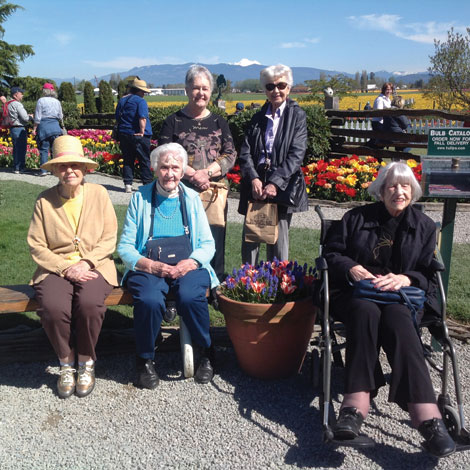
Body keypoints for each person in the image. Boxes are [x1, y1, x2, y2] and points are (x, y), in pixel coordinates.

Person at [323, 162, 456, 458]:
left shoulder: (423, 226)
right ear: (381, 191)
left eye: (405, 186)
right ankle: (355, 406)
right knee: (365, 312)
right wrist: (353, 268)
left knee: (398, 321)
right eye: (392, 186)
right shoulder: (356, 218)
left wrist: (406, 278)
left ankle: (427, 418)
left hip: (400, 298)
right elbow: (331, 254)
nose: (399, 191)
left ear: (413, 191)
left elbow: (426, 271)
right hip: (358, 293)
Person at [118, 142, 219, 389]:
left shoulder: (193, 198)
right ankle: (144, 359)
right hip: (149, 265)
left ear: (183, 170)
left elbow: (207, 243)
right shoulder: (140, 198)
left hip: (188, 263)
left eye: (175, 167)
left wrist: (193, 262)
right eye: (164, 167)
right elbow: (125, 247)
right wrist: (149, 266)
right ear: (154, 168)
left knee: (190, 295)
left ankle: (207, 352)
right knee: (150, 298)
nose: (170, 173)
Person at [27, 135, 119, 398]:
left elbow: (109, 237)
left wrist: (86, 262)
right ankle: (66, 363)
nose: (69, 171)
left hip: (95, 264)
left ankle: (86, 361)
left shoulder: (99, 194)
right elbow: (36, 244)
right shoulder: (44, 201)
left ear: (85, 169)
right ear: (55, 170)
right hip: (55, 268)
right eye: (63, 166)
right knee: (53, 308)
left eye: (75, 165)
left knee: (89, 304)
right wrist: (64, 267)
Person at [159, 65, 236, 282]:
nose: (200, 93)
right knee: (181, 239)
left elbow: (230, 154)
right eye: (195, 88)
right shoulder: (173, 121)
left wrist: (207, 173)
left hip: (213, 193)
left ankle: (215, 284)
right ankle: (179, 285)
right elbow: (165, 154)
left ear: (210, 90)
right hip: (180, 191)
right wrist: (193, 174)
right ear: (186, 89)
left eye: (205, 88)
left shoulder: (220, 122)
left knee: (214, 238)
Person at [238, 64, 308, 265]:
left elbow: (297, 154)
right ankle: (247, 285)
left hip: (282, 187)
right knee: (251, 239)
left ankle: (276, 288)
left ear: (289, 87)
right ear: (264, 90)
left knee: (278, 243)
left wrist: (275, 183)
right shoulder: (257, 117)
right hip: (256, 186)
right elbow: (245, 151)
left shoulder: (297, 116)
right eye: (270, 86)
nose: (275, 90)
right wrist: (253, 178)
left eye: (281, 85)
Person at [115, 78, 154, 193]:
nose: (144, 94)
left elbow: (117, 117)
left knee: (128, 159)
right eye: (143, 91)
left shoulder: (122, 100)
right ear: (139, 90)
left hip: (124, 133)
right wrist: (142, 131)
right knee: (144, 160)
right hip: (138, 135)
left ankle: (128, 184)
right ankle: (147, 185)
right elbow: (142, 117)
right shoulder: (140, 101)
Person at [32, 83, 64, 176]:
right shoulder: (57, 101)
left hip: (44, 126)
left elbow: (38, 117)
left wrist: (34, 128)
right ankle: (55, 170)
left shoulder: (41, 101)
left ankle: (44, 170)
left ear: (44, 90)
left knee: (44, 149)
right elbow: (60, 116)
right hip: (55, 126)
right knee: (55, 149)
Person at [7, 86, 33, 173]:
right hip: (19, 128)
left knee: (15, 148)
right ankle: (20, 168)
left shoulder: (9, 104)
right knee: (21, 148)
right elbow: (25, 118)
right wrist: (30, 117)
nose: (22, 95)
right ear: (15, 95)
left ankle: (16, 167)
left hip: (12, 128)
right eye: (21, 93)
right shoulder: (17, 104)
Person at [368, 82, 394, 148]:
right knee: (380, 141)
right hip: (378, 122)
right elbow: (379, 112)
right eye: (387, 89)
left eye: (390, 89)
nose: (389, 91)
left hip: (384, 123)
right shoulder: (380, 99)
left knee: (377, 141)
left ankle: (371, 153)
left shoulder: (388, 99)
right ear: (383, 90)